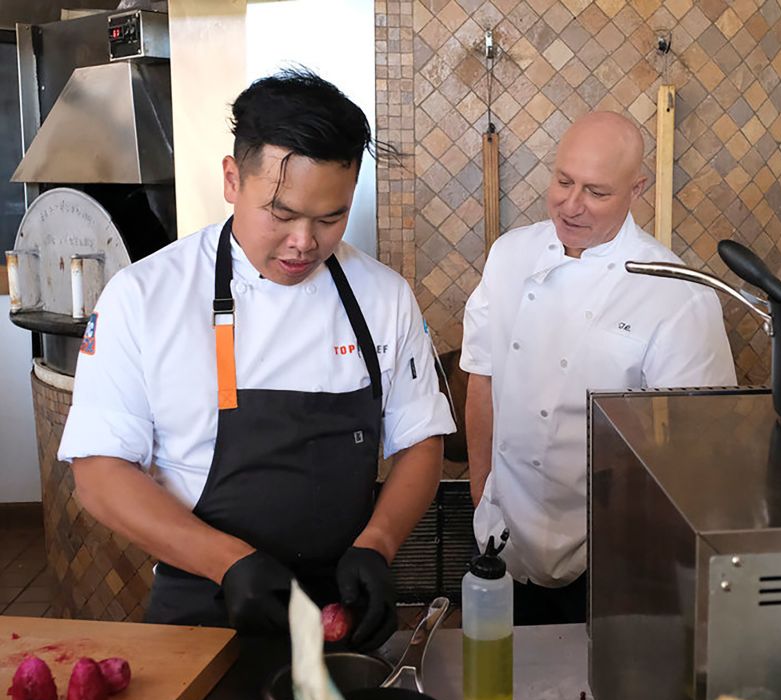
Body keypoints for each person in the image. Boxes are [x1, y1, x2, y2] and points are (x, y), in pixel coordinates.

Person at [57, 70, 455, 649]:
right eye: (282, 213)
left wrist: (379, 544)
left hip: (341, 610)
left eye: (330, 218)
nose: (304, 242)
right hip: (203, 607)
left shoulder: (382, 296)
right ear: (231, 178)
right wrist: (227, 562)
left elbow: (421, 441)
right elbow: (98, 474)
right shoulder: (144, 296)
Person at [460, 111, 737, 625]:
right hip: (501, 537)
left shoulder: (677, 293)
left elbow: (698, 449)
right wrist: (483, 495)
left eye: (596, 192)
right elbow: (483, 376)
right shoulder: (509, 256)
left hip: (612, 557)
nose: (571, 204)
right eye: (563, 181)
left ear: (638, 189)